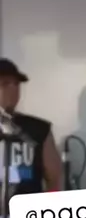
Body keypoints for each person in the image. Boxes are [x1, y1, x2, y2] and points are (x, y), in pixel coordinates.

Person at [0, 58, 62, 195]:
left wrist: (49, 204)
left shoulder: (38, 129)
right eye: (5, 83)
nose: (13, 89)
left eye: (16, 84)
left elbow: (54, 179)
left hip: (27, 207)